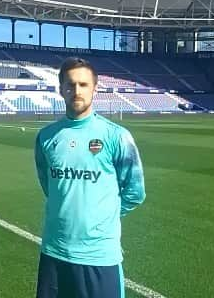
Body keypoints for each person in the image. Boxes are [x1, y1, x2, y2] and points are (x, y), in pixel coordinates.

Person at [34, 57, 146, 298]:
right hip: (54, 252)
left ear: (95, 88)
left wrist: (102, 217)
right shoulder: (46, 137)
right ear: (61, 88)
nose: (76, 91)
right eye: (70, 84)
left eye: (83, 85)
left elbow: (135, 192)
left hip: (99, 256)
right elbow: (49, 185)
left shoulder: (117, 136)